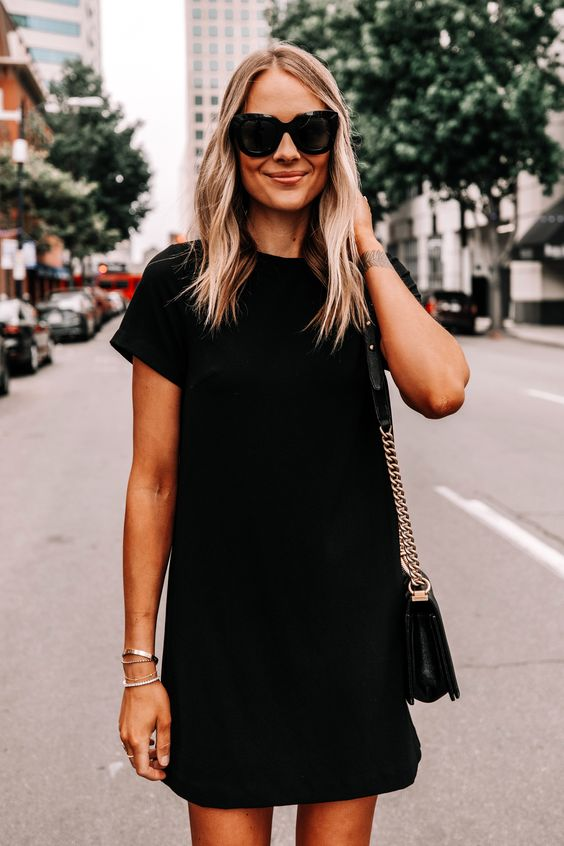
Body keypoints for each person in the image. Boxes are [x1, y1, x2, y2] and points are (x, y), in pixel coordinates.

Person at [110, 41, 470, 846]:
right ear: (230, 143)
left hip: (347, 638)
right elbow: (154, 482)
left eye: (310, 130)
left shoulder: (361, 280)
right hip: (223, 641)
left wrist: (365, 243)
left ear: (335, 142)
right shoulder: (178, 285)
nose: (286, 152)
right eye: (260, 131)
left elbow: (442, 389)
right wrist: (141, 671)